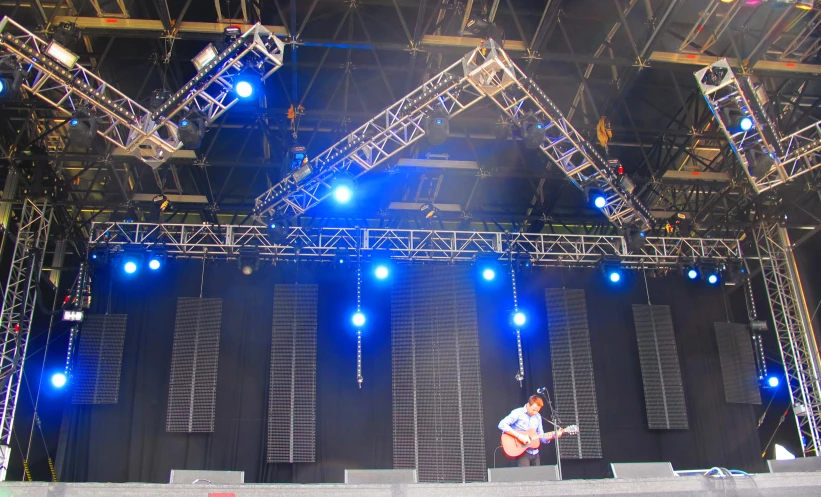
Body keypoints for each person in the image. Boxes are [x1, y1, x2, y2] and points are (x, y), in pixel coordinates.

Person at [498, 395, 563, 467]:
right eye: (533, 410)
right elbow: (502, 424)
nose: (535, 413)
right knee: (525, 477)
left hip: (535, 453)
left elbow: (541, 437)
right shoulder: (518, 413)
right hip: (522, 451)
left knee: (537, 477)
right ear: (528, 405)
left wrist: (553, 436)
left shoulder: (538, 417)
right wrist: (519, 436)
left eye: (537, 411)